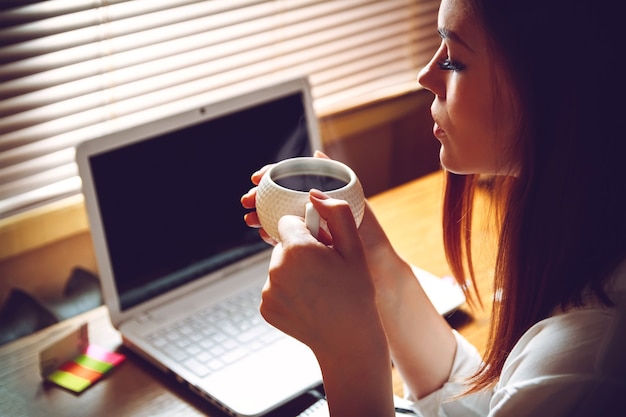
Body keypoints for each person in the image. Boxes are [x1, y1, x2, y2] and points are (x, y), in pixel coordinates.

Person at [240, 0, 626, 415]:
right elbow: (488, 403)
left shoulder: (588, 366)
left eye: (455, 60)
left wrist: (350, 352)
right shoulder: (591, 247)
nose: (425, 76)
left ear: (552, 86)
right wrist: (376, 262)